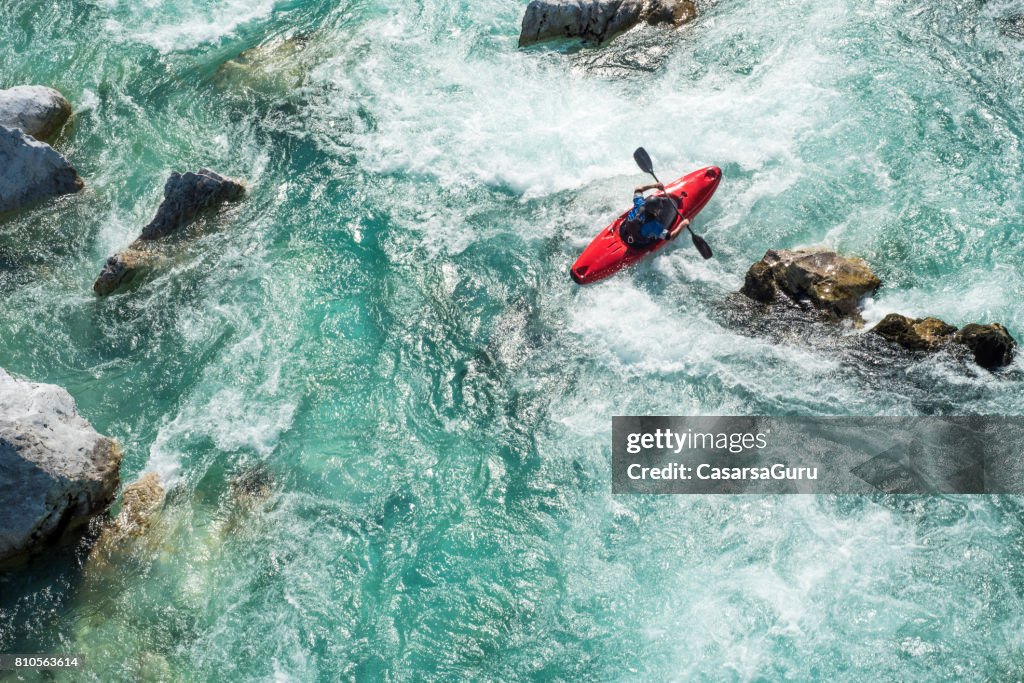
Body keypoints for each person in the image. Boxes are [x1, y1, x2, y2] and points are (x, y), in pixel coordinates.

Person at [621, 182, 690, 246]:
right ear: (653, 211)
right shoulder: (653, 225)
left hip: (624, 231)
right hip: (637, 242)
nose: (659, 210)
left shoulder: (639, 203)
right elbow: (671, 237)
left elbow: (638, 189)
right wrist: (682, 225)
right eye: (658, 209)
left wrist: (654, 185)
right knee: (653, 235)